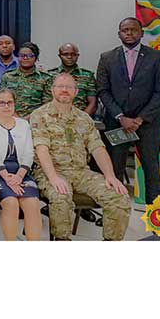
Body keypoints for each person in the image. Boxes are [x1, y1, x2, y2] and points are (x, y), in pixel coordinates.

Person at [31, 73, 132, 240]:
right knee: (61, 196)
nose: (64, 90)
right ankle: (62, 240)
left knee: (118, 196)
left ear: (76, 92)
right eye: (60, 87)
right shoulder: (40, 115)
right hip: (50, 171)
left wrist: (110, 175)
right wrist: (54, 178)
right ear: (52, 90)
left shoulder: (84, 119)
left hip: (81, 173)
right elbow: (41, 149)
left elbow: (98, 148)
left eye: (69, 87)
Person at [96, 17, 160, 207]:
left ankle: (155, 216)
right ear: (119, 34)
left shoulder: (157, 57)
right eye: (125, 30)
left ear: (142, 33)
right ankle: (116, 211)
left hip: (147, 125)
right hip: (117, 123)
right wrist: (121, 117)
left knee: (151, 169)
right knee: (115, 169)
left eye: (133, 30)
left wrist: (140, 119)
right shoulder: (107, 57)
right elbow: (102, 90)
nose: (129, 33)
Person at [0, 88, 42, 241]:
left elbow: (29, 153)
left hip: (21, 173)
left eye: (10, 102)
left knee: (33, 205)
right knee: (11, 203)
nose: (6, 106)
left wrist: (19, 176)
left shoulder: (23, 124)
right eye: (2, 103)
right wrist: (7, 178)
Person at [0, 42, 51, 119]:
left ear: (36, 58)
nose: (25, 58)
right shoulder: (7, 76)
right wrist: (16, 118)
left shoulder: (45, 78)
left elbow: (47, 105)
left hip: (36, 120)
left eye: (30, 56)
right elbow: (1, 100)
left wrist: (27, 119)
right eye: (22, 55)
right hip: (10, 119)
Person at [46, 43, 97, 115]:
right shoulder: (50, 75)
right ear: (60, 56)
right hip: (54, 119)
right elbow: (46, 101)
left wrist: (81, 120)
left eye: (73, 54)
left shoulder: (88, 76)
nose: (69, 57)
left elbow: (93, 103)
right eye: (65, 54)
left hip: (81, 119)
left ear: (77, 56)